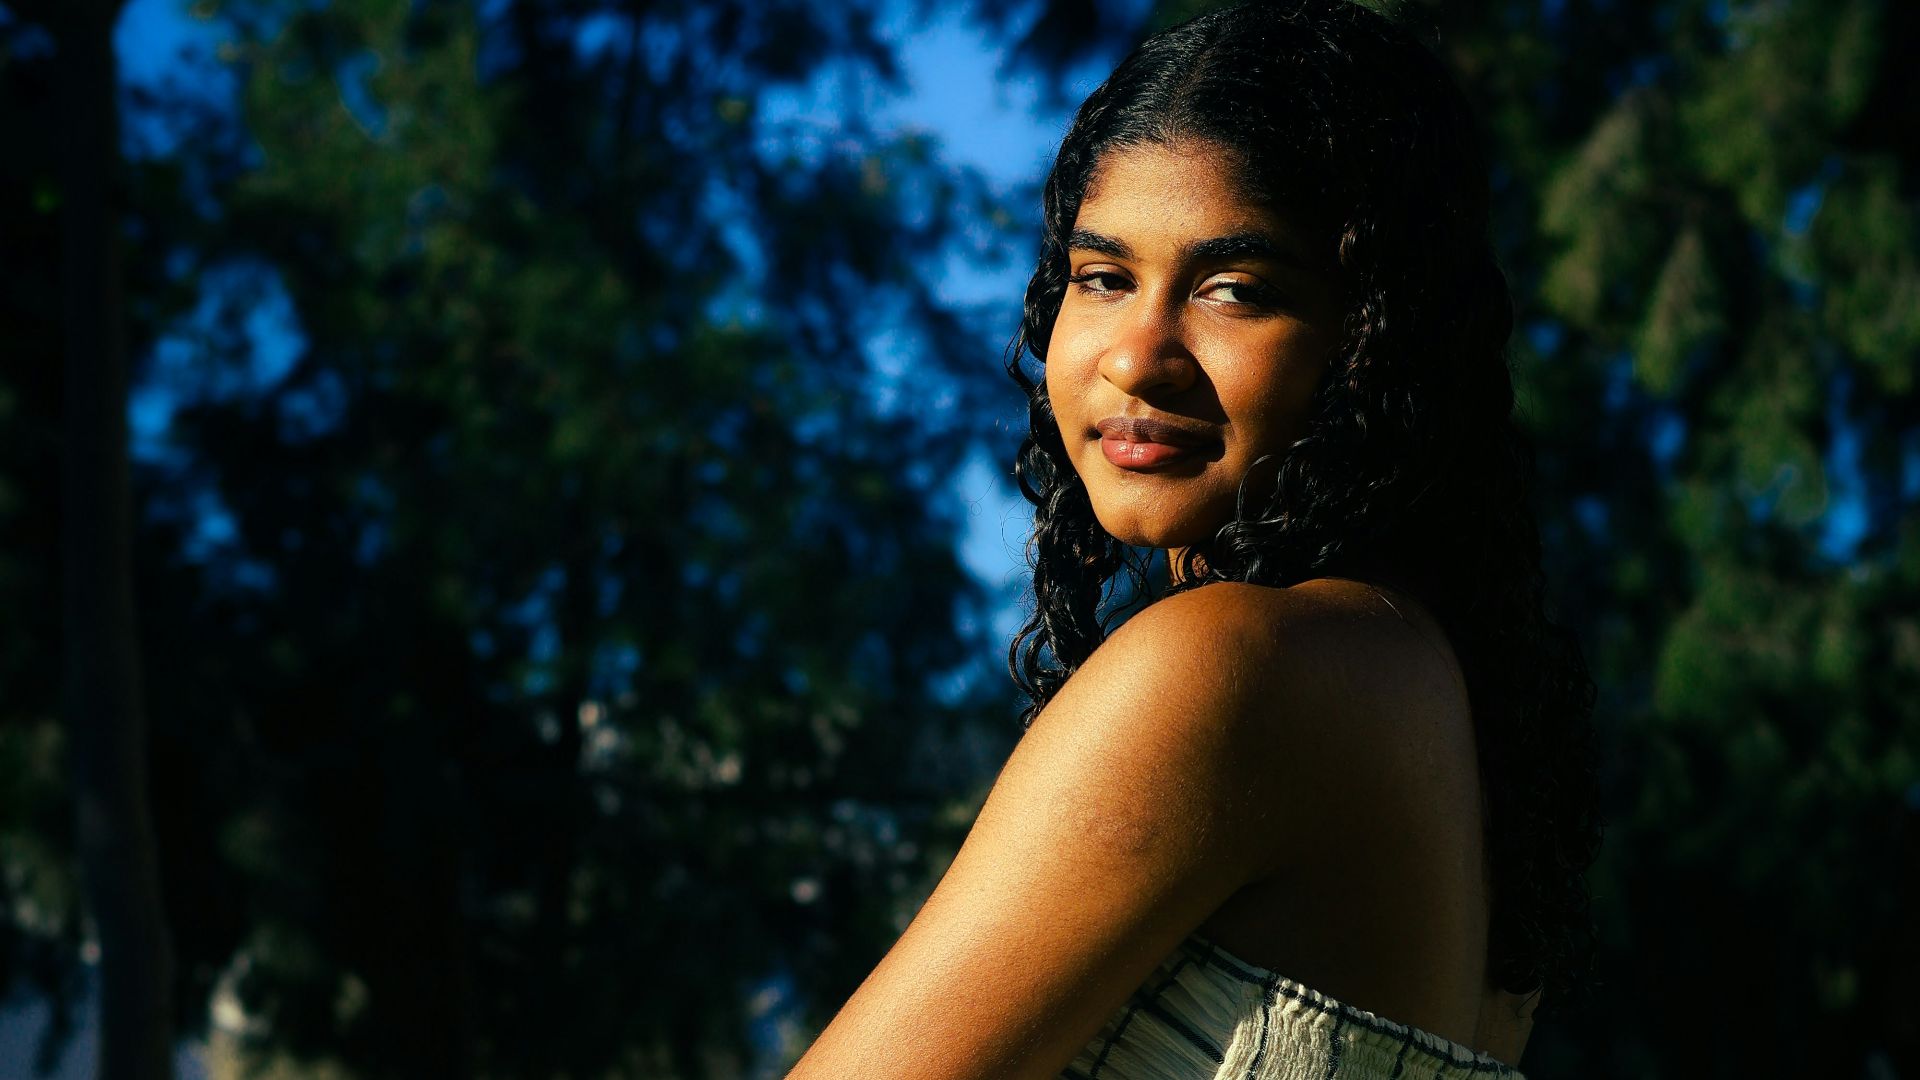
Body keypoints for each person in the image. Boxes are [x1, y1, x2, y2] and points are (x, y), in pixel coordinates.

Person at [787, 1, 1603, 1076]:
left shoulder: (1239, 665)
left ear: (1375, 341)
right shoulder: (1435, 689)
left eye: (1235, 291)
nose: (1138, 355)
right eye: (1102, 277)